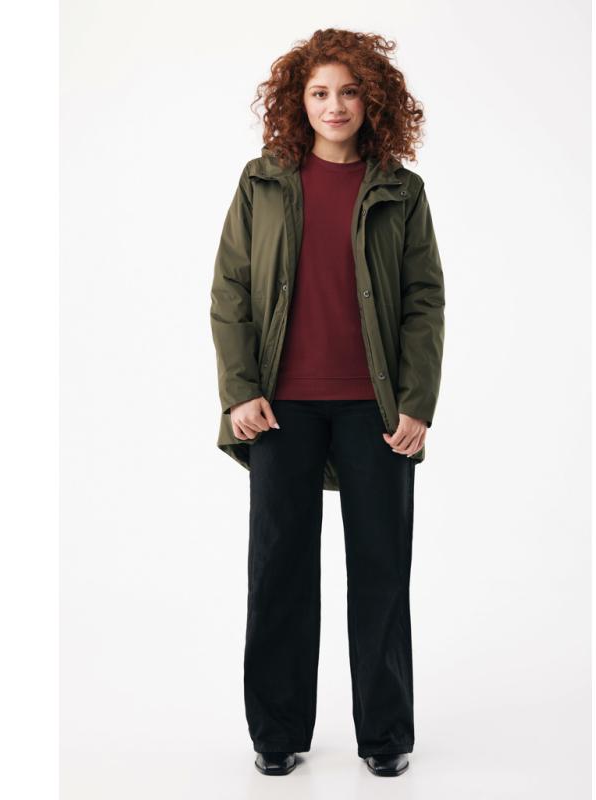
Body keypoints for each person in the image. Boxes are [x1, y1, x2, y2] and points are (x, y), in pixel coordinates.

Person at [209, 28, 445, 778]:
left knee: (382, 570)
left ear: (372, 100)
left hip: (377, 410)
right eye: (318, 92)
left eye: (347, 92)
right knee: (279, 570)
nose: (333, 105)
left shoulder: (401, 189)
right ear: (298, 101)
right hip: (281, 407)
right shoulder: (262, 181)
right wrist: (240, 390)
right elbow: (231, 291)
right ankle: (277, 733)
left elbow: (424, 302)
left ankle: (386, 734)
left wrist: (416, 402)